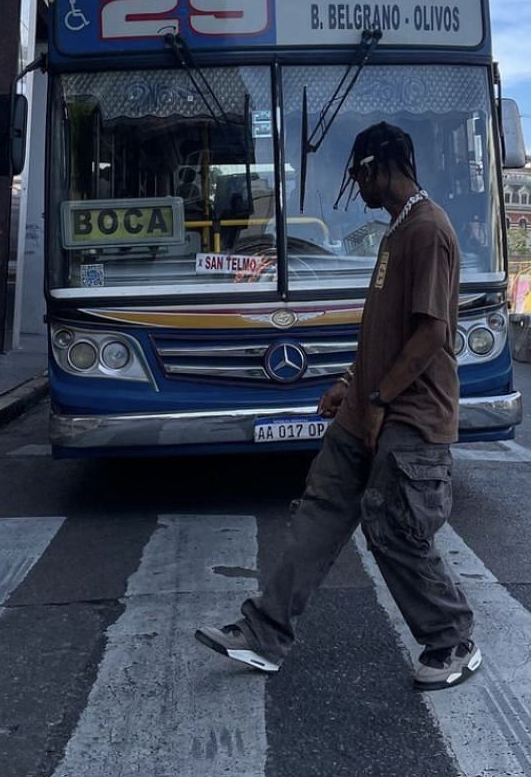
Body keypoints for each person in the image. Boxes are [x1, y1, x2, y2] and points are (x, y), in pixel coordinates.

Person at [196, 122, 480, 691]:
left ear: (381, 166)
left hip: (410, 414)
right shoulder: (396, 231)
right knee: (319, 512)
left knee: (393, 526)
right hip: (367, 407)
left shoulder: (428, 230)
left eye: (358, 174)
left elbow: (428, 336)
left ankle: (451, 638)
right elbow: (384, 331)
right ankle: (265, 633)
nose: (357, 186)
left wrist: (378, 397)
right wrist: (352, 383)